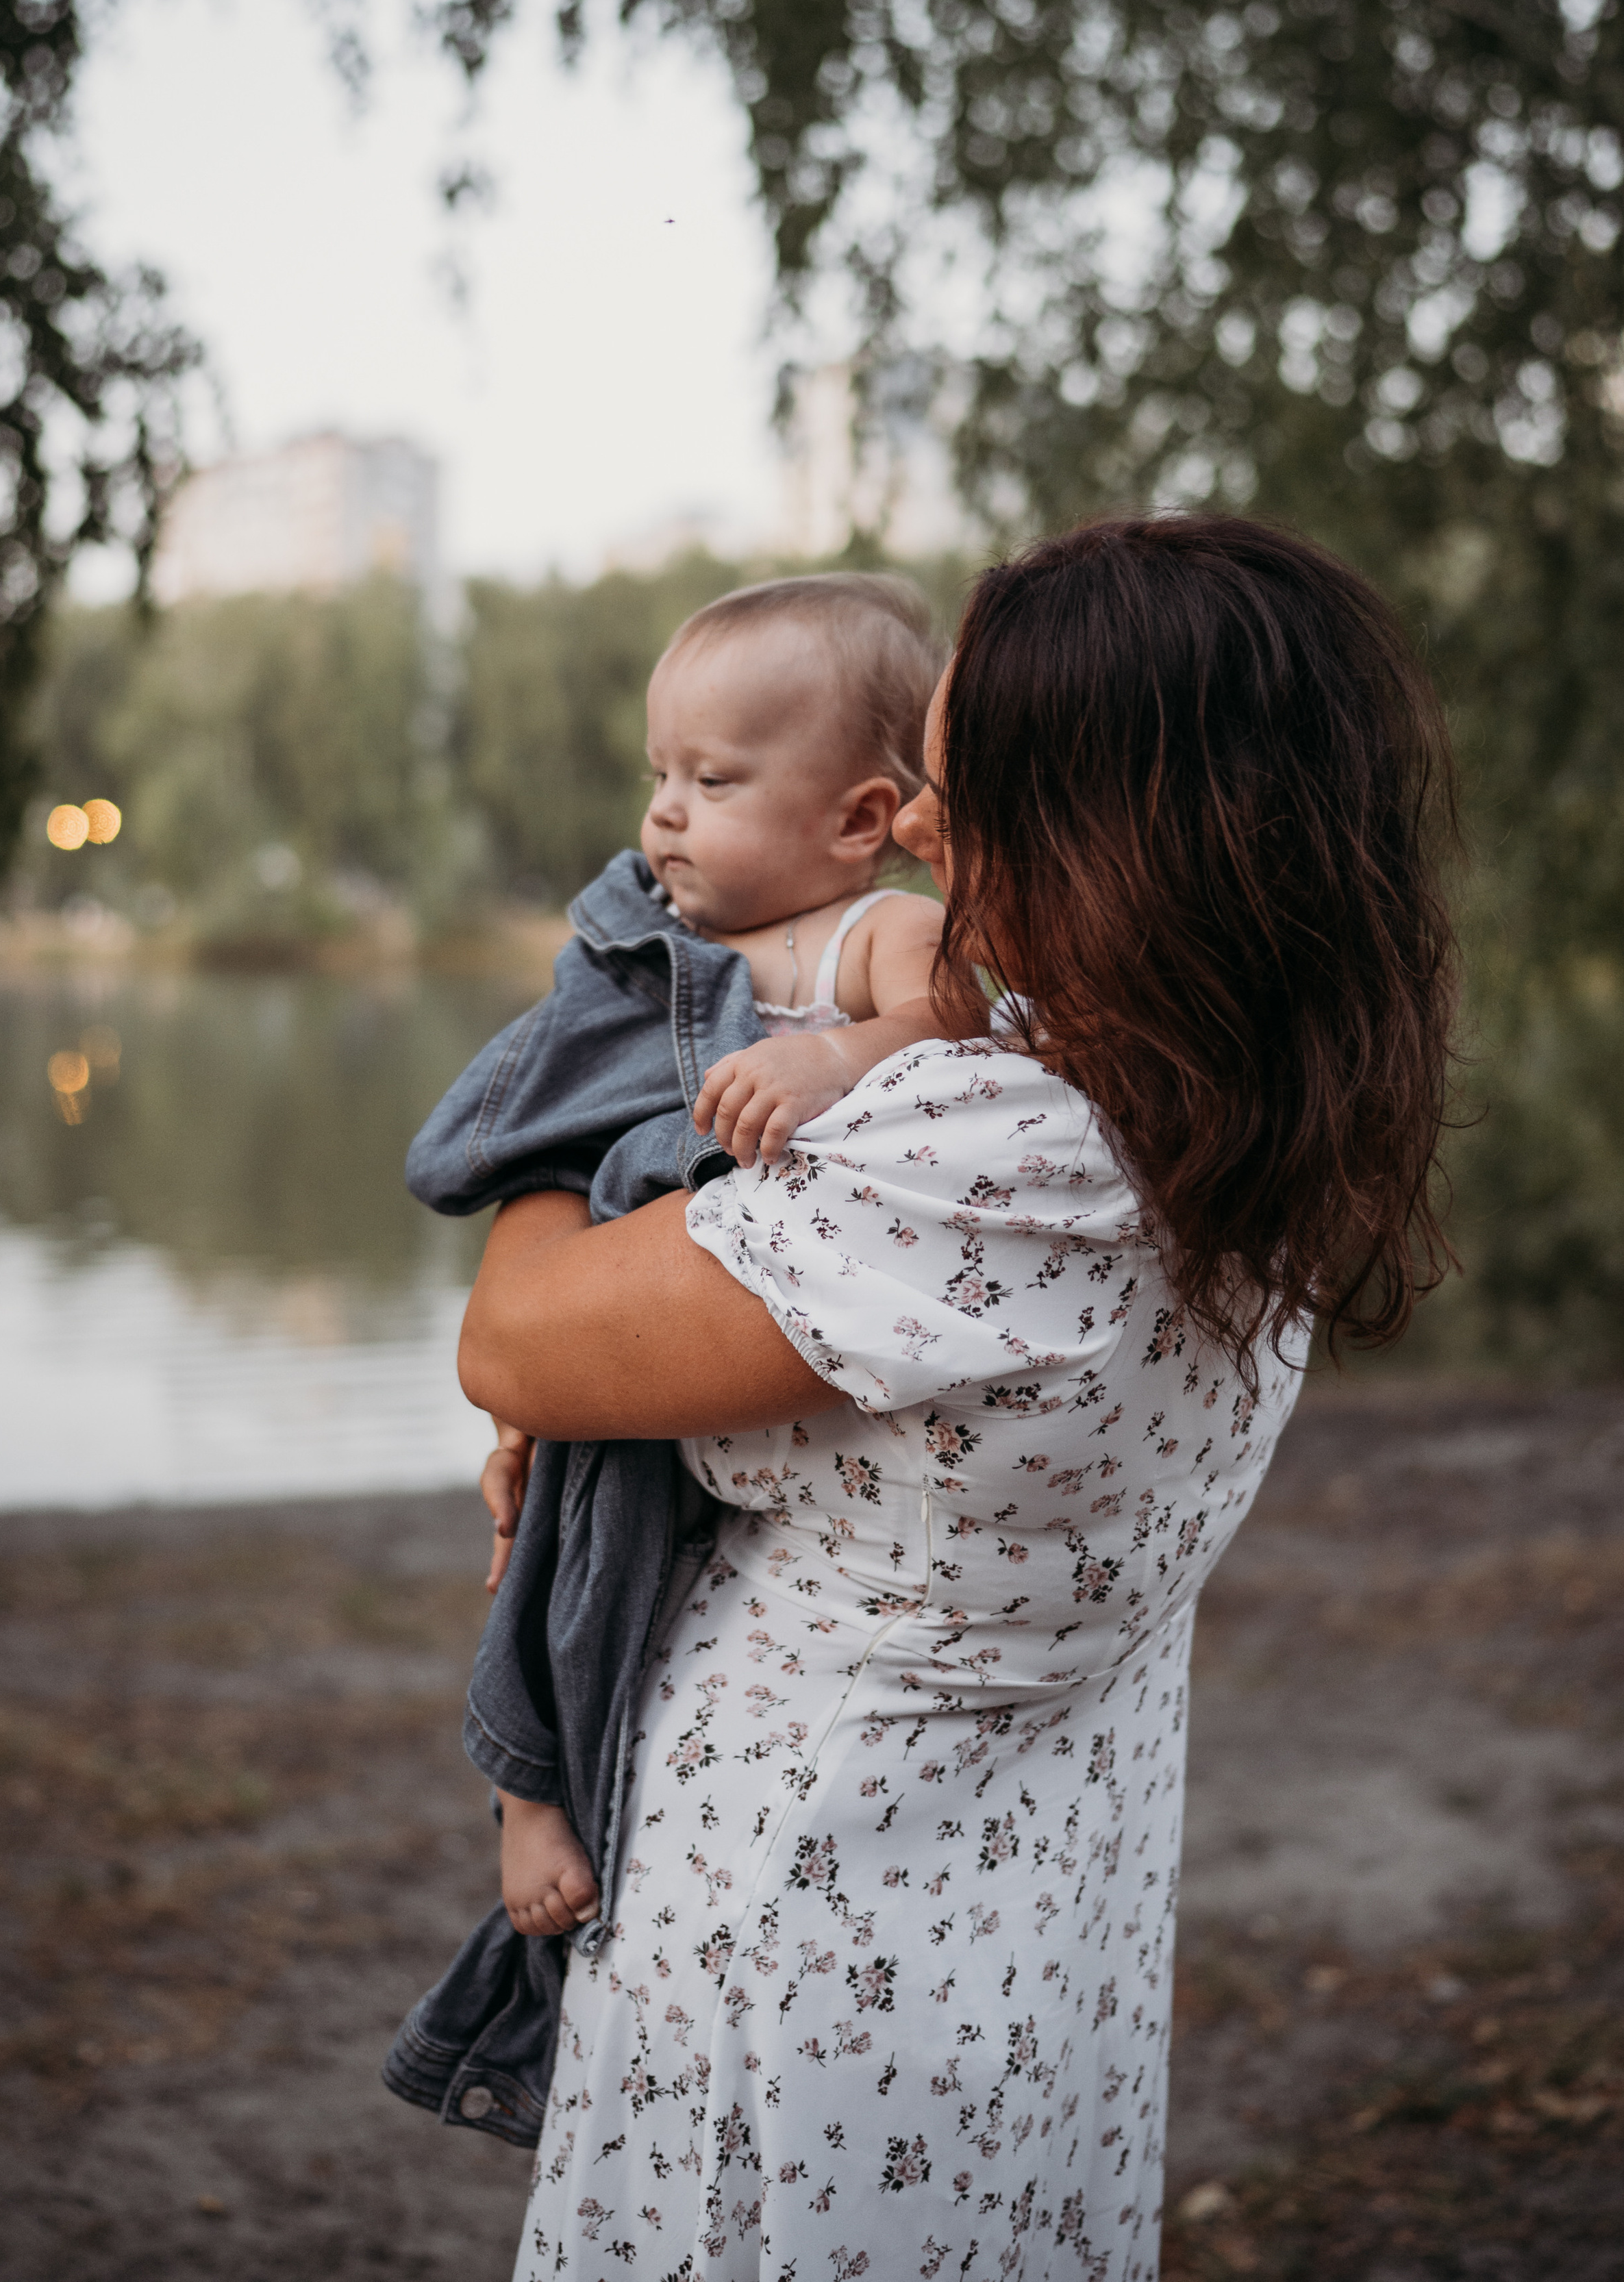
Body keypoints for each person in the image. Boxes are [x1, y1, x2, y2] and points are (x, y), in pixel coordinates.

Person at [459, 514, 1458, 2282]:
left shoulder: (995, 1154)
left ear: (1108, 829)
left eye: (949, 787)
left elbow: (517, 1342)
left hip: (807, 1950)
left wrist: (583, 1070)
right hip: (1024, 1917)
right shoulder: (1231, 1124)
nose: (911, 825)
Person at [386, 575, 951, 2143]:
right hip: (649, 1305)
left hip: (714, 1335)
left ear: (857, 817)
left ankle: (537, 1786)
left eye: (712, 782)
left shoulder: (864, 932)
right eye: (658, 776)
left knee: (608, 1549)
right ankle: (520, 1789)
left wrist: (834, 1054)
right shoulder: (646, 947)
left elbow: (945, 1015)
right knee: (547, 1516)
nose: (665, 818)